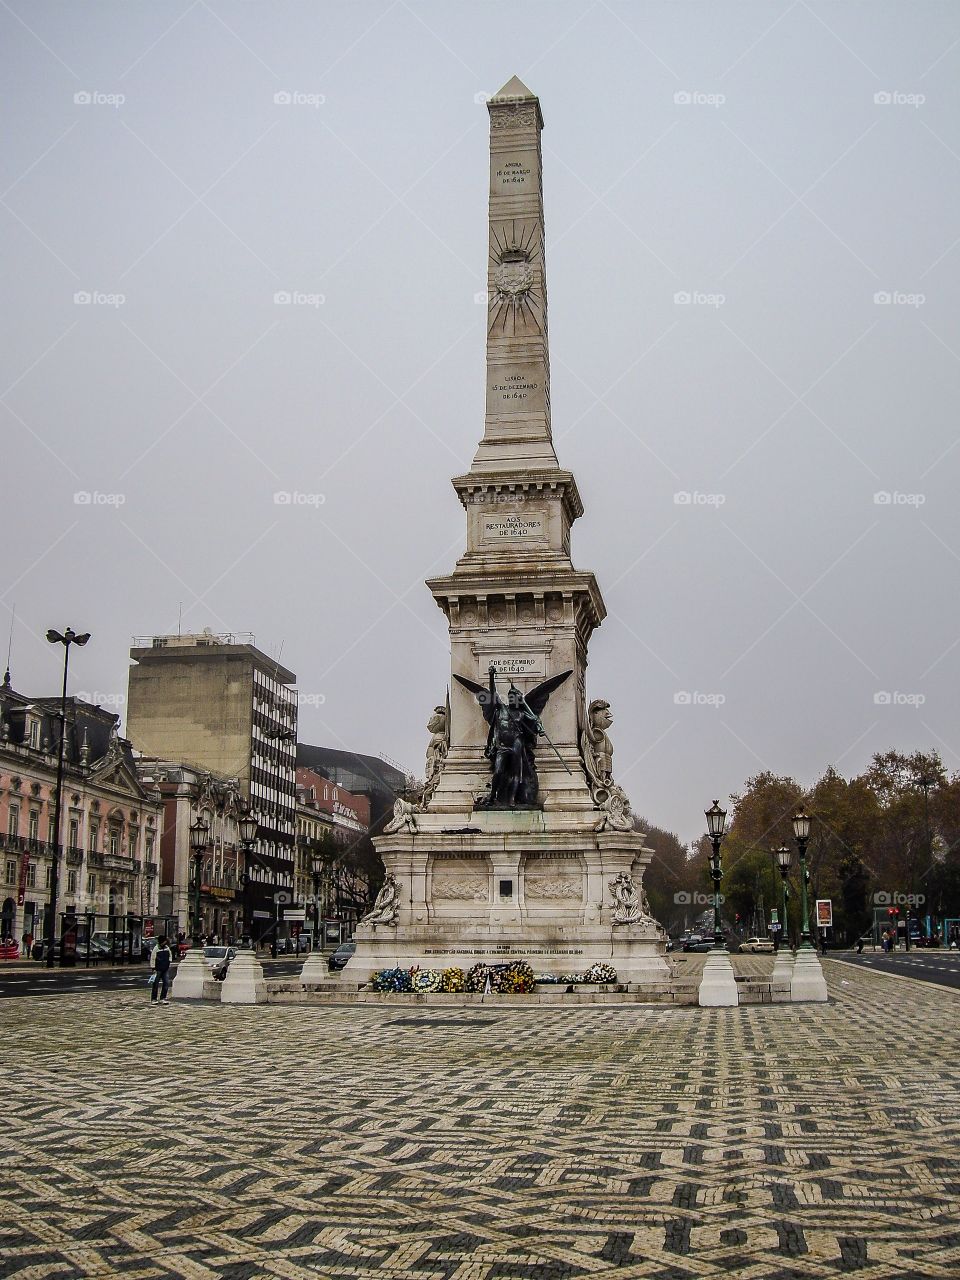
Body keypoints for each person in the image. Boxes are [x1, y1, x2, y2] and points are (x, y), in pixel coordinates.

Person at [150, 935, 173, 1004]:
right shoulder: (156, 948)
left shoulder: (167, 948)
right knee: (155, 984)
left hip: (165, 968)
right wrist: (153, 967)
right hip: (158, 969)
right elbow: (153, 958)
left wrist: (168, 962)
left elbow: (170, 955)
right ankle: (154, 999)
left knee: (166, 983)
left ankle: (163, 998)